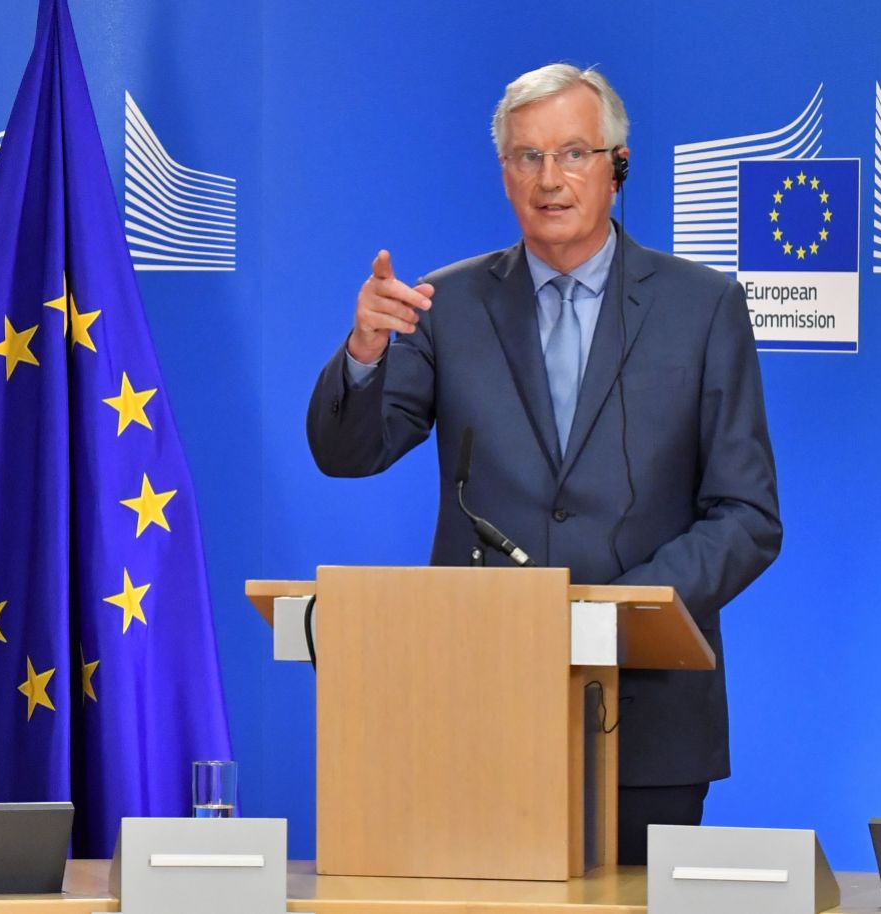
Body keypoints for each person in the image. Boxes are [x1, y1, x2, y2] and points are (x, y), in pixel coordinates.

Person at [305, 64, 781, 865]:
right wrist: (363, 353)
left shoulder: (703, 308)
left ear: (617, 167)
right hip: (475, 705)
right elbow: (349, 454)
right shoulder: (443, 306)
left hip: (646, 714)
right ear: (503, 175)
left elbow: (747, 516)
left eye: (573, 154)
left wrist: (621, 614)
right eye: (527, 158)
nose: (550, 179)